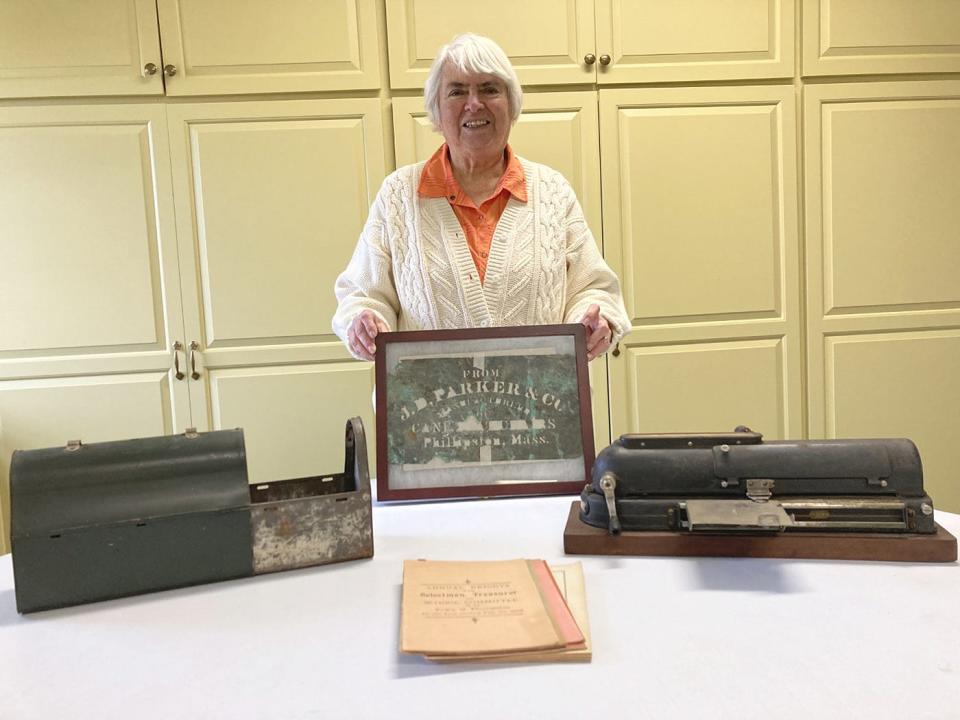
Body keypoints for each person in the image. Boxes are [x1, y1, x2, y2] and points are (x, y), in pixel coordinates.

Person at [333, 33, 629, 361]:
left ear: (512, 104)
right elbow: (362, 294)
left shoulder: (552, 192)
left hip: (539, 405)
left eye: (489, 89)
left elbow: (593, 287)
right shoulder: (398, 195)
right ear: (436, 109)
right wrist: (366, 324)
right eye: (457, 91)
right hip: (428, 406)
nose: (474, 103)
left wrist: (591, 322)